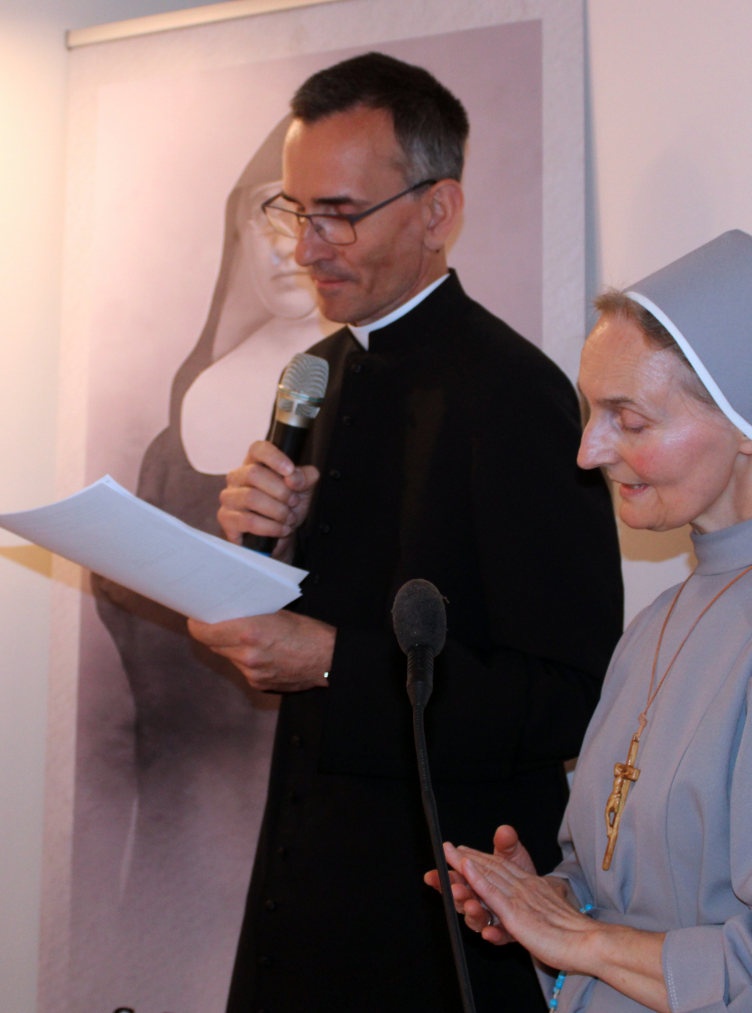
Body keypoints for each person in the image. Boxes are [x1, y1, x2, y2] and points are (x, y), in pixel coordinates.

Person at [187, 53, 625, 1012]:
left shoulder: (518, 396)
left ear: (438, 211)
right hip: (301, 883)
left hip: (443, 915)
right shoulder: (313, 374)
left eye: (339, 214)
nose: (308, 247)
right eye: (295, 212)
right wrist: (258, 549)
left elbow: (571, 695)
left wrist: (332, 661)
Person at [429, 231, 752, 1013]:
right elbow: (629, 886)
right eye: (591, 412)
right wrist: (551, 898)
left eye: (630, 419)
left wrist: (583, 940)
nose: (587, 451)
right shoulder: (657, 625)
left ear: (747, 422)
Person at [89, 114, 327, 1003]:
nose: (289, 243)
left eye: (314, 215)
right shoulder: (179, 422)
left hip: (300, 807)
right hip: (177, 798)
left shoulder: (361, 402)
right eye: (270, 210)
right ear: (234, 227)